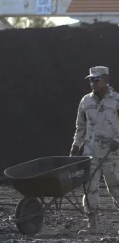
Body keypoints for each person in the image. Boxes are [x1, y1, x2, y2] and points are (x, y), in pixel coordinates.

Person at [70, 66, 119, 235]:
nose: (92, 82)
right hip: (90, 152)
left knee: (116, 187)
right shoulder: (85, 101)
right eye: (90, 79)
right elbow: (80, 127)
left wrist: (117, 141)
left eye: (95, 79)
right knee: (90, 188)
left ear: (105, 80)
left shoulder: (116, 101)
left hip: (111, 153)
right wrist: (76, 145)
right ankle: (92, 225)